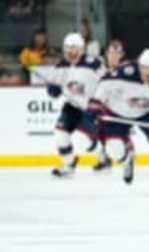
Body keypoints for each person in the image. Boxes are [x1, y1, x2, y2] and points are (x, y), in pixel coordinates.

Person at [87, 49, 149, 189]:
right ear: (139, 66)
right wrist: (95, 104)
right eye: (146, 69)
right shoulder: (124, 73)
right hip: (117, 112)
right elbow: (104, 85)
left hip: (147, 113)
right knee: (114, 152)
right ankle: (128, 155)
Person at [47, 33, 104, 177]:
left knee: (82, 140)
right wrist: (54, 89)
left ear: (81, 49)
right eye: (67, 48)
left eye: (73, 48)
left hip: (92, 108)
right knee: (60, 134)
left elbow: (108, 84)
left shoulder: (94, 64)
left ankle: (100, 151)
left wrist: (99, 102)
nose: (70, 51)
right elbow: (53, 92)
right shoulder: (60, 66)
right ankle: (68, 164)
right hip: (72, 106)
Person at [92, 39, 127, 172]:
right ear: (106, 53)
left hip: (120, 108)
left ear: (122, 54)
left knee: (116, 134)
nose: (114, 56)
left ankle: (125, 152)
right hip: (102, 106)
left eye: (117, 53)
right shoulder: (98, 68)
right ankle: (105, 156)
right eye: (111, 52)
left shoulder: (126, 70)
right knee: (98, 130)